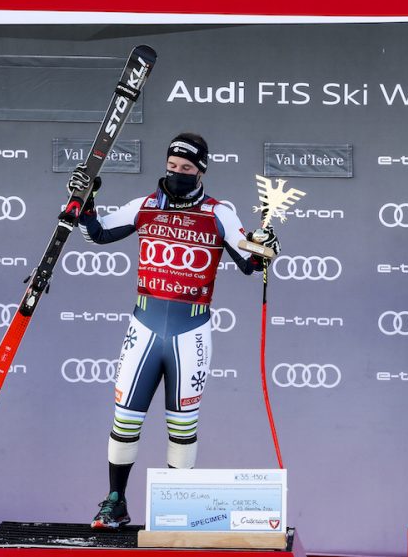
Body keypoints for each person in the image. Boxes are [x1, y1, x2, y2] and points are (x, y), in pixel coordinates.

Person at [68, 132, 279, 529]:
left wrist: (266, 246)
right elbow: (96, 233)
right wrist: (86, 198)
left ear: (201, 170)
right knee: (125, 419)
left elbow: (250, 261)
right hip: (144, 326)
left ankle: (175, 508)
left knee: (182, 426)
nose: (177, 173)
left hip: (191, 331)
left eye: (186, 168)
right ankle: (115, 501)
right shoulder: (145, 205)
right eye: (172, 166)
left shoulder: (220, 212)